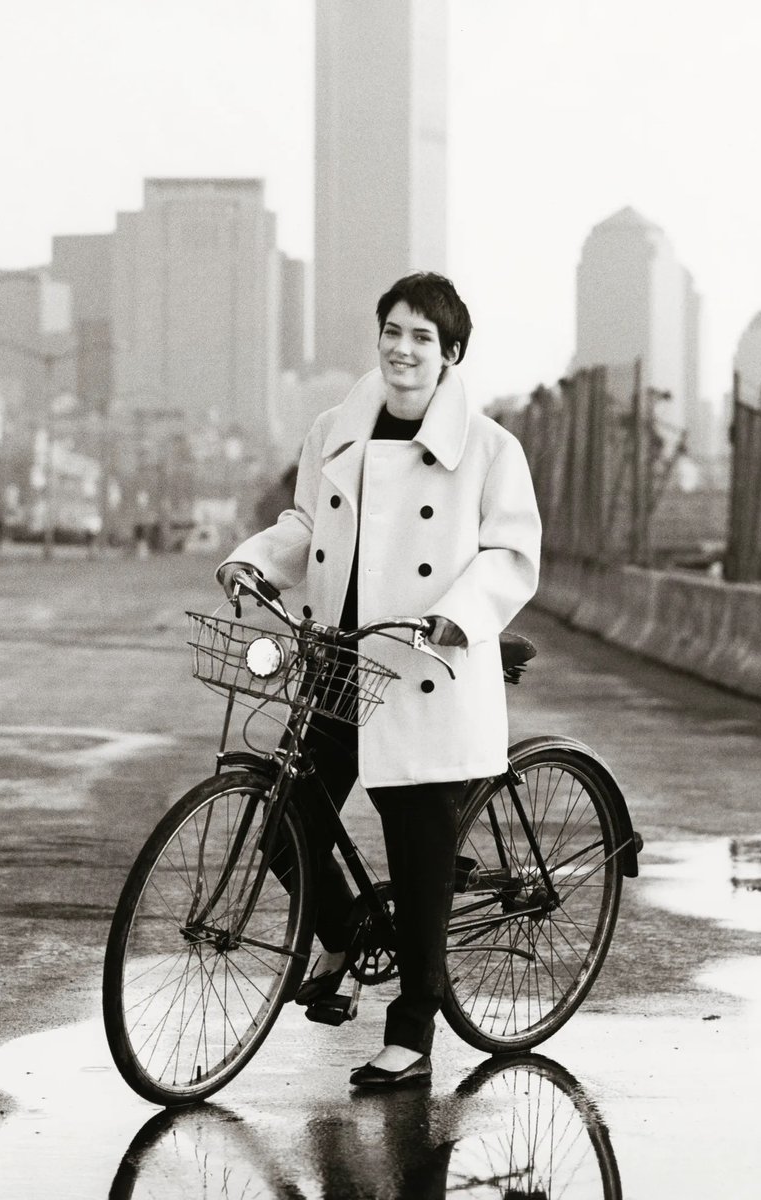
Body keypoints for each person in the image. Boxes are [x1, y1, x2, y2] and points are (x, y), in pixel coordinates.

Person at [218, 272, 541, 1088]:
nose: (402, 348)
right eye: (392, 331)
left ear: (450, 354)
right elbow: (305, 524)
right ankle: (345, 933)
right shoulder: (334, 430)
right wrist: (256, 563)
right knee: (285, 827)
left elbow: (511, 555)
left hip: (424, 667)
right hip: (339, 659)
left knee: (421, 860)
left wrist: (457, 614)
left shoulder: (492, 449)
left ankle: (412, 1036)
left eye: (421, 337)